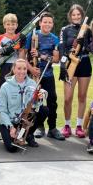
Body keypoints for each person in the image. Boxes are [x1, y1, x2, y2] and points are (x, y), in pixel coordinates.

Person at [21, 12, 65, 141]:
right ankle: (39, 127)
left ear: (52, 24)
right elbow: (23, 56)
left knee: (52, 101)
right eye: (44, 22)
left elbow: (56, 59)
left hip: (48, 75)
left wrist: (42, 56)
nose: (47, 24)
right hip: (33, 76)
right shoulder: (32, 36)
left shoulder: (55, 39)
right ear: (40, 23)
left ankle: (52, 128)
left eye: (49, 22)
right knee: (35, 102)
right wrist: (31, 69)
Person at [0, 59, 48, 152]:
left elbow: (35, 106)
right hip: (10, 122)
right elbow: (2, 111)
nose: (22, 71)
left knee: (44, 110)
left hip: (25, 120)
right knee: (12, 148)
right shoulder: (5, 86)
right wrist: (11, 127)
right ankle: (16, 134)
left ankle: (28, 134)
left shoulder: (32, 84)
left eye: (24, 68)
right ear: (14, 69)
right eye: (19, 68)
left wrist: (39, 99)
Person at [59, 4, 92, 138]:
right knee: (67, 98)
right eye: (74, 15)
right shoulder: (65, 29)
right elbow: (61, 46)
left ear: (82, 15)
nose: (76, 17)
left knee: (82, 96)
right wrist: (62, 63)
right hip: (69, 63)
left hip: (84, 63)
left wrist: (84, 42)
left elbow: (91, 47)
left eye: (78, 14)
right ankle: (67, 125)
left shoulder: (88, 30)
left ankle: (78, 125)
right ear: (70, 16)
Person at [0, 13, 21, 90]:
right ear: (4, 25)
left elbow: (22, 55)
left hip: (17, 67)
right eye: (8, 24)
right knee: (4, 90)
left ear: (16, 25)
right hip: (4, 67)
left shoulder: (20, 37)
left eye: (13, 24)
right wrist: (2, 52)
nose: (11, 26)